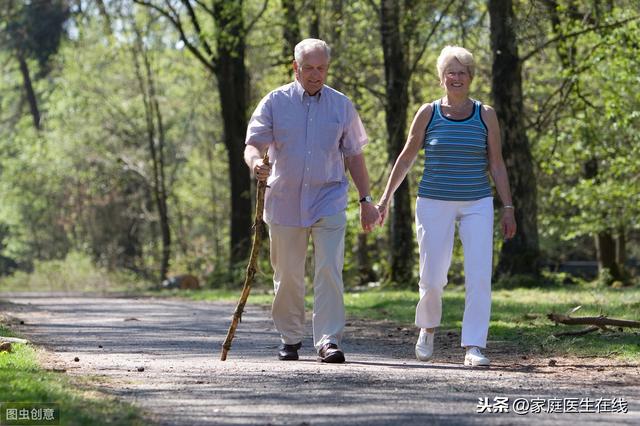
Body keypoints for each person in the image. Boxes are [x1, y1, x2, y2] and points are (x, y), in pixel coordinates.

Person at [376, 46, 516, 367]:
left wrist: (507, 206)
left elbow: (496, 163)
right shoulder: (428, 113)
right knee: (433, 274)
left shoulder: (486, 114)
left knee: (479, 273)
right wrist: (385, 198)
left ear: (471, 78)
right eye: (450, 72)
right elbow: (407, 156)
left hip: (477, 201)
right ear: (441, 78)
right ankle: (427, 327)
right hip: (434, 201)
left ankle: (474, 345)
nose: (456, 77)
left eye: (462, 72)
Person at [244, 38, 380, 363]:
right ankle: (290, 338)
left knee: (329, 269)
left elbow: (355, 156)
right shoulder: (274, 102)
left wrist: (366, 199)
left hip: (328, 197)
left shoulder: (341, 105)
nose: (316, 75)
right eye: (309, 68)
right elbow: (253, 144)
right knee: (288, 274)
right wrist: (255, 164)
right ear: (296, 68)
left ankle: (328, 340)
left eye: (321, 68)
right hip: (283, 200)